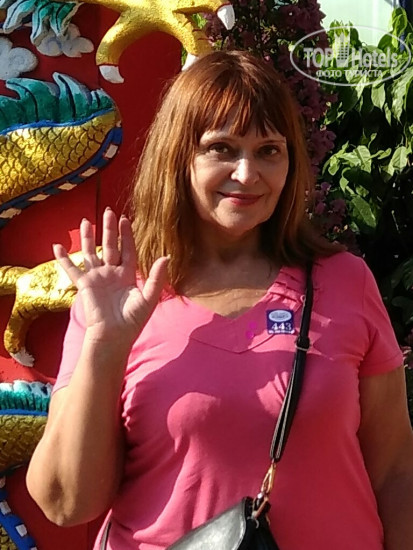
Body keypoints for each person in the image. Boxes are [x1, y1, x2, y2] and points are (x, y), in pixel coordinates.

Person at [26, 50, 413, 550]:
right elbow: (65, 503)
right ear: (179, 157)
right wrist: (106, 345)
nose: (247, 174)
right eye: (222, 149)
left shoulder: (345, 281)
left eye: (269, 150)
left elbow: (396, 470)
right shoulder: (121, 296)